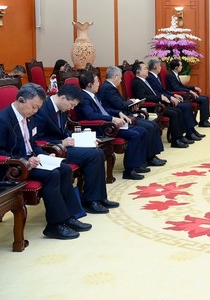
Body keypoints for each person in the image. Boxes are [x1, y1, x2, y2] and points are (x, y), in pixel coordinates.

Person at [0, 83, 91, 240]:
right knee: (52, 175)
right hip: (13, 168)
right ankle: (54, 225)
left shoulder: (28, 118)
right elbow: (1, 152)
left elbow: (33, 144)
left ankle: (69, 216)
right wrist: (26, 160)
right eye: (33, 107)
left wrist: (46, 156)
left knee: (64, 168)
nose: (35, 111)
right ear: (21, 100)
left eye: (38, 107)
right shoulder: (3, 119)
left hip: (30, 161)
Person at [31, 83, 119, 214]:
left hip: (64, 145)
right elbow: (36, 138)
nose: (72, 108)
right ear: (63, 98)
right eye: (71, 105)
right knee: (94, 155)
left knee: (98, 152)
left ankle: (99, 197)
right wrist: (61, 142)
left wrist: (84, 138)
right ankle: (90, 201)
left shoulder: (62, 108)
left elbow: (64, 130)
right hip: (51, 150)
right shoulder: (42, 109)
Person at [76, 71, 150, 181]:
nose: (99, 84)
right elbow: (91, 115)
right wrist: (111, 119)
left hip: (109, 125)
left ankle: (138, 164)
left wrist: (118, 113)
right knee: (135, 135)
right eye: (97, 82)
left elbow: (104, 109)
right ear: (89, 84)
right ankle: (129, 170)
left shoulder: (94, 95)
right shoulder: (83, 98)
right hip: (101, 128)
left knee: (142, 131)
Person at [98, 66, 166, 167]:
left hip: (125, 115)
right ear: (115, 76)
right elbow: (119, 105)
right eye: (120, 78)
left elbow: (120, 103)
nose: (121, 80)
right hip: (118, 119)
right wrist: (131, 102)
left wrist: (131, 105)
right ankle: (149, 157)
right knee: (149, 127)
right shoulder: (108, 88)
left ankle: (151, 156)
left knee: (152, 124)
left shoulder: (110, 87)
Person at [131, 60, 199, 148]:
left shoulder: (144, 80)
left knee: (178, 111)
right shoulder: (137, 82)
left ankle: (180, 137)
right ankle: (175, 140)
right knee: (174, 113)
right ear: (138, 71)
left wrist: (164, 97)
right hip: (151, 107)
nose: (147, 70)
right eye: (145, 69)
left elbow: (157, 92)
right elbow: (142, 97)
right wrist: (160, 98)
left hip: (158, 104)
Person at [166, 59, 210, 128]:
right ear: (176, 67)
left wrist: (193, 88)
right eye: (181, 65)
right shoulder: (170, 75)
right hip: (179, 95)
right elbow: (176, 88)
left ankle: (205, 120)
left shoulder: (175, 74)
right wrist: (190, 91)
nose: (182, 67)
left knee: (205, 98)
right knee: (203, 100)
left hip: (182, 93)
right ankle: (203, 122)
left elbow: (182, 86)